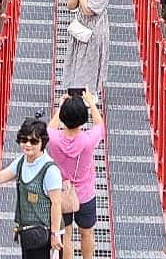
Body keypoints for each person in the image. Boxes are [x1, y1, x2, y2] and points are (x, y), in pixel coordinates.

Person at [0, 117, 64, 258]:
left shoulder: (50, 170)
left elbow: (56, 204)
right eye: (24, 140)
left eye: (34, 141)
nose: (28, 145)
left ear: (43, 143)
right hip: (27, 232)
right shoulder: (21, 161)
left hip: (45, 233)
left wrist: (55, 235)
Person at [47, 90, 104, 259]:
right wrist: (91, 103)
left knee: (67, 236)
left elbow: (50, 126)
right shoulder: (88, 140)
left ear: (64, 117)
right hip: (85, 194)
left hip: (61, 193)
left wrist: (61, 106)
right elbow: (99, 125)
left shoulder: (53, 138)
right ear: (83, 119)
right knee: (87, 234)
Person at [61, 0, 109, 98]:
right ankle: (75, 93)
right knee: (76, 62)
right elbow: (70, 6)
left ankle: (90, 94)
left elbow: (88, 10)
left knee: (90, 65)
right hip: (81, 33)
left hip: (93, 35)